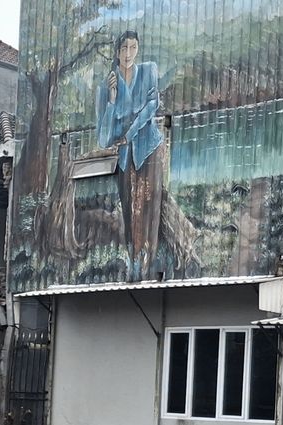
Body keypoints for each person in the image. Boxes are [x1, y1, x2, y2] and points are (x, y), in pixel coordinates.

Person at [96, 30, 167, 280]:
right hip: (126, 158)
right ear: (117, 52)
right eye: (124, 48)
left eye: (133, 47)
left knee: (148, 206)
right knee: (129, 209)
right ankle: (134, 265)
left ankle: (151, 264)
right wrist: (111, 101)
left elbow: (152, 106)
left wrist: (130, 132)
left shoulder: (148, 71)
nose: (129, 53)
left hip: (149, 148)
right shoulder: (106, 87)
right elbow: (104, 137)